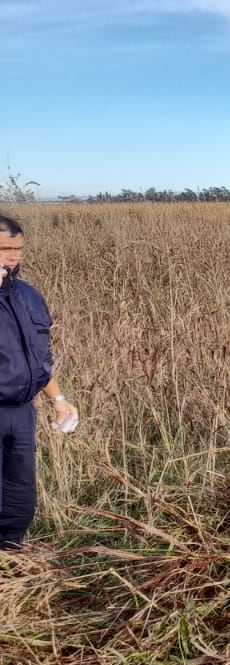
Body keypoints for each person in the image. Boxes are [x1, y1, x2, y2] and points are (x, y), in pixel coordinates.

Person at [0, 213, 80, 551]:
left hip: (21, 413)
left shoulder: (28, 295)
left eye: (18, 249)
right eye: (4, 248)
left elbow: (39, 354)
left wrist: (58, 399)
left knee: (19, 498)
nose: (13, 256)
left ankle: (10, 563)